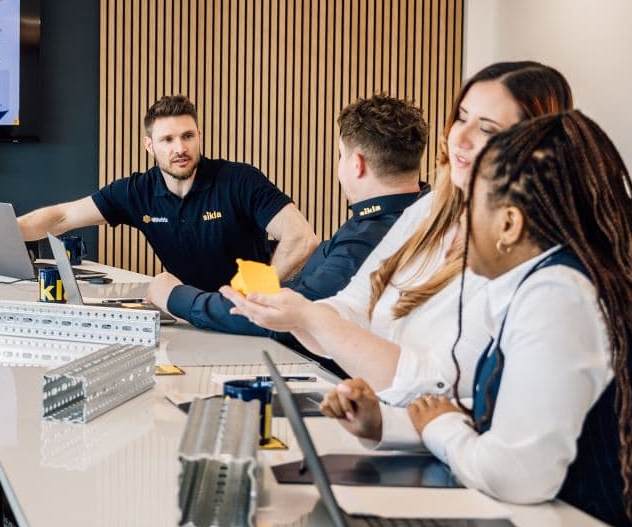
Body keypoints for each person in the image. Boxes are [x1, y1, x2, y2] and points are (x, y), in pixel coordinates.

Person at [320, 111, 632, 527]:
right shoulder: (535, 282)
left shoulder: (557, 295)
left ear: (509, 223)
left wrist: (440, 430)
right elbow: (493, 419)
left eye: (468, 210)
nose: (453, 231)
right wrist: (382, 425)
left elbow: (517, 473)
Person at [223, 62, 573, 427]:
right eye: (461, 118)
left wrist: (308, 316)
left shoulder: (530, 254)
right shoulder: (430, 207)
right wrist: (294, 316)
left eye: (486, 129)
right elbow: (354, 307)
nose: (460, 138)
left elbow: (445, 387)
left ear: (533, 146)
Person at [0, 94, 318, 290]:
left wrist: (255, 293)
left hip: (252, 308)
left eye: (188, 136)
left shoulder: (239, 181)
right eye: (167, 139)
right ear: (149, 145)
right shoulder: (138, 192)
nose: (180, 148)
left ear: (199, 137)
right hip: (190, 309)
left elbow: (302, 238)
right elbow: (61, 216)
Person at [146, 95, 428, 333]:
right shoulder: (421, 217)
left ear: (357, 165)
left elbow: (283, 318)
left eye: (341, 155)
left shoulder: (368, 240)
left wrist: (176, 297)